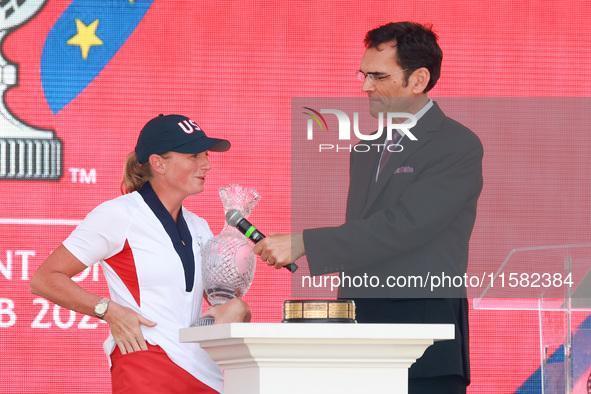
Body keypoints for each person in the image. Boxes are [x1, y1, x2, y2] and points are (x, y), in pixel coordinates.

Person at [254, 22, 483, 394]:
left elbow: (405, 226)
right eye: (363, 74)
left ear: (419, 79)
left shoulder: (457, 145)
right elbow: (369, 232)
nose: (365, 87)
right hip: (361, 340)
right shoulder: (367, 147)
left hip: (424, 345)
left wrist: (306, 243)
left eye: (378, 76)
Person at [30, 114, 251, 394]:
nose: (206, 164)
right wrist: (108, 310)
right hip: (145, 364)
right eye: (194, 156)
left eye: (205, 155)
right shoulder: (118, 215)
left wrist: (238, 307)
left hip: (205, 373)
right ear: (159, 163)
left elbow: (217, 303)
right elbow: (44, 278)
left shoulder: (200, 227)